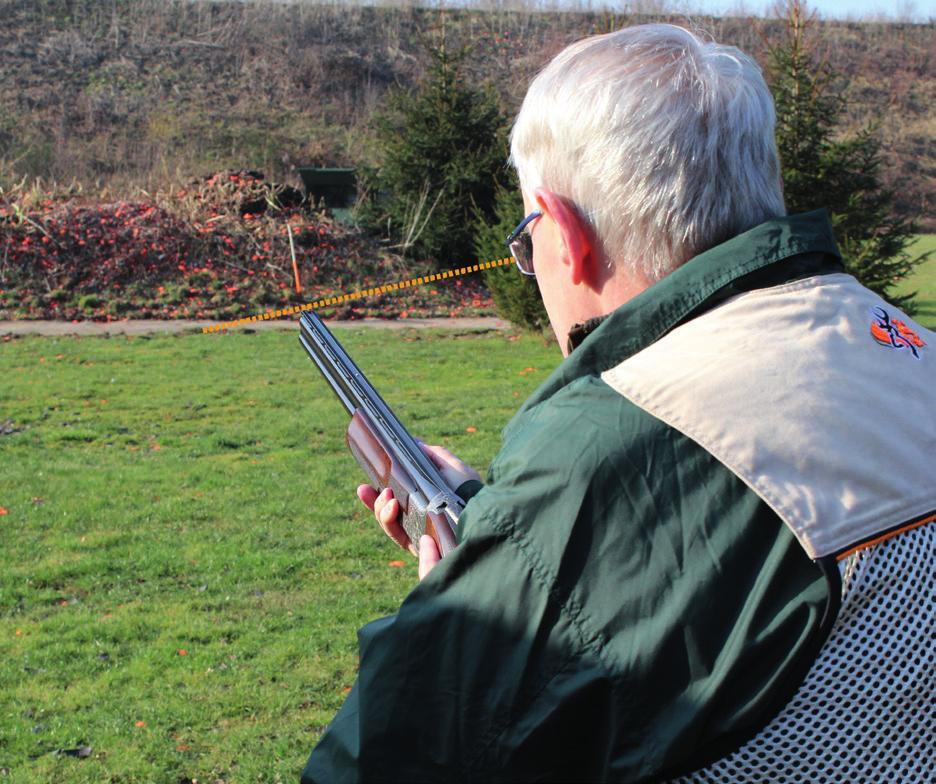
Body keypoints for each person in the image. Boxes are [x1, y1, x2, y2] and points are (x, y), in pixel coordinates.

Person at [301, 24, 935, 783]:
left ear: (564, 234)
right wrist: (500, 534)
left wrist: (479, 597)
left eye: (524, 240)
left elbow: (383, 762)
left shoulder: (603, 450)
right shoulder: (909, 352)